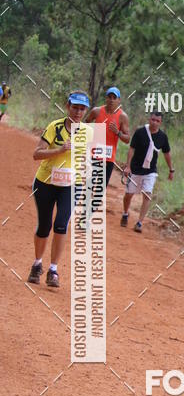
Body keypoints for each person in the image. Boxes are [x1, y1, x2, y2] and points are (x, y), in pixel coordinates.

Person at [27, 92, 91, 288]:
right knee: (45, 225)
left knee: (62, 224)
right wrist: (59, 150)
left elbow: (91, 158)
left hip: (72, 185)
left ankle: (53, 270)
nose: (78, 112)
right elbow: (36, 154)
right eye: (75, 107)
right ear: (67, 106)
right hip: (45, 182)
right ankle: (37, 264)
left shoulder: (89, 132)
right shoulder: (54, 127)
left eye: (82, 109)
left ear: (85, 111)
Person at [121, 110, 173, 232]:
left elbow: (167, 153)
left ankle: (139, 223)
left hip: (150, 171)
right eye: (153, 120)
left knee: (147, 194)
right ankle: (125, 213)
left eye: (157, 121)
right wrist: (128, 166)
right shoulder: (140, 132)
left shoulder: (162, 137)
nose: (155, 123)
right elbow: (131, 149)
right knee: (128, 195)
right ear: (149, 119)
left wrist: (171, 169)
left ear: (160, 123)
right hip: (135, 169)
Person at [85, 86, 130, 191]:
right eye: (109, 97)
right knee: (89, 185)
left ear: (119, 100)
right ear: (106, 98)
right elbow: (85, 124)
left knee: (101, 189)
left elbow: (127, 139)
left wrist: (117, 132)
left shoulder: (122, 116)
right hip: (94, 154)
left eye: (114, 98)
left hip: (108, 157)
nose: (111, 100)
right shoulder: (96, 111)